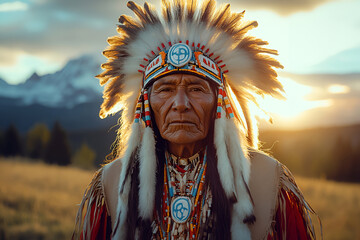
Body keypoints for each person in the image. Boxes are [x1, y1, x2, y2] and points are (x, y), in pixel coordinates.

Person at [73, 0, 320, 239]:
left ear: (219, 102)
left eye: (196, 89)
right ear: (146, 105)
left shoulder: (265, 180)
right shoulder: (115, 183)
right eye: (166, 89)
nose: (180, 104)